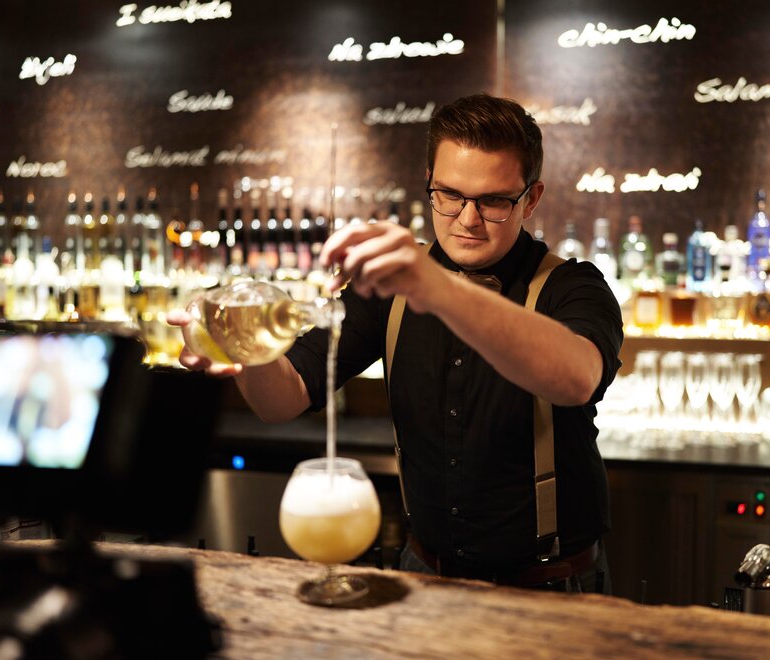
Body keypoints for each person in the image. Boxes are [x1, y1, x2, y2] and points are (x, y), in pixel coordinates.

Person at [174, 93, 623, 593]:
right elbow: (284, 398)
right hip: (423, 572)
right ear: (429, 183)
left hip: (550, 586)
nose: (467, 219)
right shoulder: (390, 290)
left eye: (494, 201)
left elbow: (576, 378)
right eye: (449, 195)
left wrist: (437, 287)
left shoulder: (574, 287)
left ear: (531, 199)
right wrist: (244, 347)